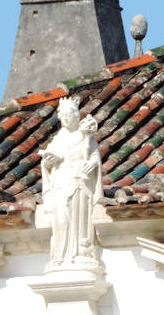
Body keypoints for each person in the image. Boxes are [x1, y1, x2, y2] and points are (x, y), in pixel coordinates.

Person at [40, 98, 103, 269]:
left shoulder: (85, 137)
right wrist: (47, 163)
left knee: (79, 218)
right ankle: (60, 255)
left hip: (79, 183)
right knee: (61, 220)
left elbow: (94, 156)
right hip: (60, 183)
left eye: (69, 114)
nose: (66, 118)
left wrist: (93, 163)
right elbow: (46, 164)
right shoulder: (57, 139)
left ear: (76, 115)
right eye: (63, 114)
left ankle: (81, 252)